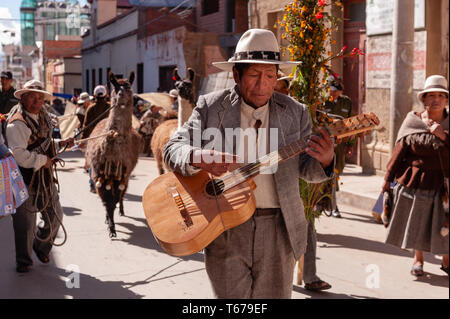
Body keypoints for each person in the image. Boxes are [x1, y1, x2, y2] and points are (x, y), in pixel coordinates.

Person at [163, 29, 335, 298]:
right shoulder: (211, 107)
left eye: (270, 75)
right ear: (236, 75)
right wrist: (198, 157)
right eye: (254, 75)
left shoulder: (296, 112)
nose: (263, 84)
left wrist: (325, 162)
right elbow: (172, 149)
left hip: (279, 229)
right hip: (225, 227)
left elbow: (307, 170)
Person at [382, 75, 449, 277]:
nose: (436, 99)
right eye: (431, 95)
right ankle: (417, 259)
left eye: (441, 95)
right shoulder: (413, 121)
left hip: (444, 186)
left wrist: (444, 136)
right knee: (417, 223)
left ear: (446, 100)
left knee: (444, 224)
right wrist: (387, 181)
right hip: (416, 182)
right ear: (424, 99)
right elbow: (398, 153)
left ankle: (447, 260)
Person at [5, 79, 74, 273]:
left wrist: (62, 143)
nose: (36, 101)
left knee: (56, 215)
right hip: (21, 179)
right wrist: (44, 160)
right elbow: (18, 155)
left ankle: (41, 246)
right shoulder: (16, 123)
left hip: (43, 178)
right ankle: (24, 260)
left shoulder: (44, 118)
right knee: (25, 224)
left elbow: (45, 143)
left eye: (39, 98)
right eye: (32, 97)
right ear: (23, 98)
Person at [274, 73, 332, 292]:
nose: (279, 94)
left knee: (305, 224)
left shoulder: (298, 113)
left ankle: (310, 275)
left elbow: (309, 164)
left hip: (296, 186)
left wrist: (325, 158)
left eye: (283, 90)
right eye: (276, 89)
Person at [321, 75, 355, 218]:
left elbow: (351, 123)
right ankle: (332, 205)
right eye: (331, 90)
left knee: (336, 172)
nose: (334, 93)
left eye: (336, 90)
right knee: (328, 175)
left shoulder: (346, 102)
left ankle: (328, 201)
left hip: (340, 145)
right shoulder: (322, 103)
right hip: (325, 144)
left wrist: (350, 144)